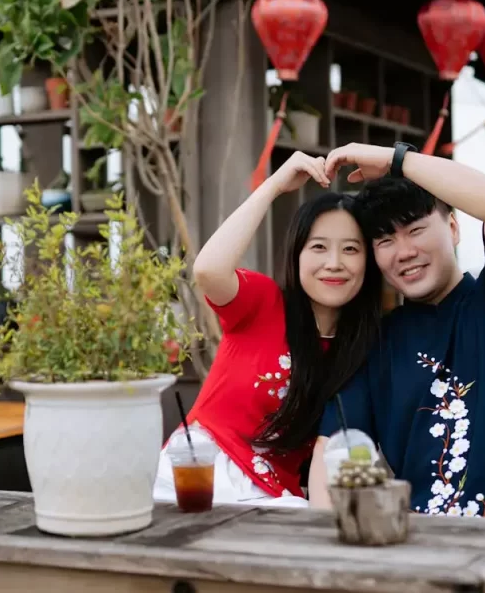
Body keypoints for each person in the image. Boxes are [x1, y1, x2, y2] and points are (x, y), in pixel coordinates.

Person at [308, 142, 485, 593]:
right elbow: (331, 448)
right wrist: (331, 550)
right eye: (384, 240)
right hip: (423, 547)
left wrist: (396, 160)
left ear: (454, 227)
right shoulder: (376, 344)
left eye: (416, 229)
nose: (403, 251)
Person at [152, 151, 382, 507]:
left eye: (351, 249)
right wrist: (273, 186)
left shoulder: (363, 350)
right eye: (318, 247)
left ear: (369, 262)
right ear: (297, 256)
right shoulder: (263, 302)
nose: (334, 264)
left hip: (275, 501)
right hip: (199, 475)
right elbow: (208, 270)